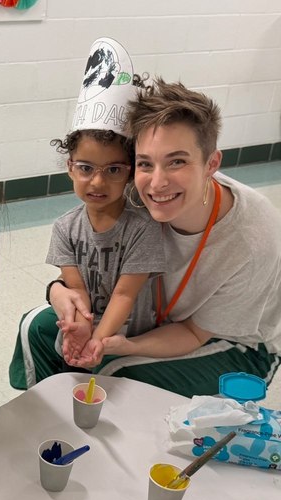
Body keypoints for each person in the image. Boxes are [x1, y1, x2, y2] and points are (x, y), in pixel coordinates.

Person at [12, 77, 281, 397]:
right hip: (149, 315)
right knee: (38, 328)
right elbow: (89, 270)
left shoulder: (254, 239)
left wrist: (127, 345)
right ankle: (54, 418)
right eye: (146, 163)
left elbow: (194, 331)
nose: (157, 183)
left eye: (177, 161)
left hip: (229, 343)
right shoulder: (132, 191)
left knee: (117, 375)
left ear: (211, 163)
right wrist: (58, 292)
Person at [9, 38, 165, 383]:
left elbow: (125, 293)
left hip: (127, 336)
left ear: (130, 170)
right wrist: (77, 325)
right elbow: (75, 289)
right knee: (41, 337)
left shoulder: (142, 228)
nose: (97, 182)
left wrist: (97, 339)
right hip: (91, 325)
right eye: (85, 168)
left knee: (103, 376)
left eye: (113, 170)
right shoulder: (65, 228)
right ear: (69, 166)